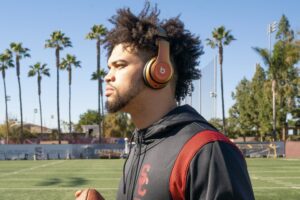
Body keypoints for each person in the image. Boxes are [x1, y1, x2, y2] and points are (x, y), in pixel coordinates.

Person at [76, 3, 254, 200]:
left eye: (120, 65)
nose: (108, 77)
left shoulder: (207, 150)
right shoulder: (141, 145)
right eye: (109, 68)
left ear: (160, 70)